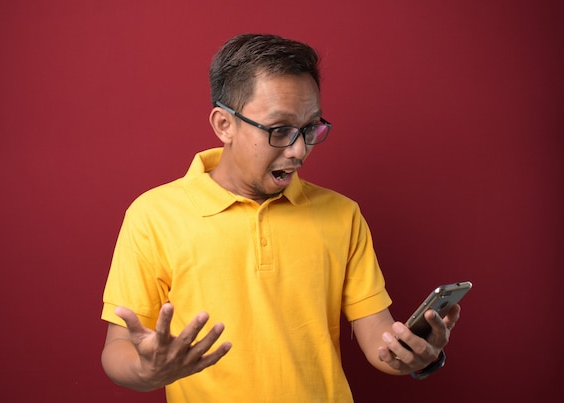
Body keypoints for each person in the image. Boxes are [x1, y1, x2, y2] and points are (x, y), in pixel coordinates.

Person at [100, 33, 461, 402]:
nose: (300, 149)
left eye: (310, 128)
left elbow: (380, 346)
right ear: (224, 125)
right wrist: (148, 371)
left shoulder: (343, 216)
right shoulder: (154, 215)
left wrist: (415, 355)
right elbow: (117, 351)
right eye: (281, 130)